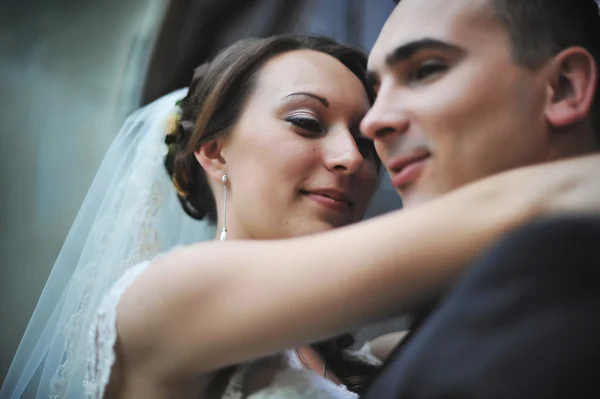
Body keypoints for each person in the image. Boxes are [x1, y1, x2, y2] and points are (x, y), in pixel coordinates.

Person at [2, 34, 600, 399]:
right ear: (214, 150)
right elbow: (506, 210)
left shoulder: (384, 358)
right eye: (307, 123)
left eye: (366, 143)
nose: (351, 160)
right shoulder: (167, 299)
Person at [360, 0, 600, 397]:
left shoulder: (563, 282)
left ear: (563, 87)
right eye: (377, 91)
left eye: (425, 71)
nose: (372, 122)